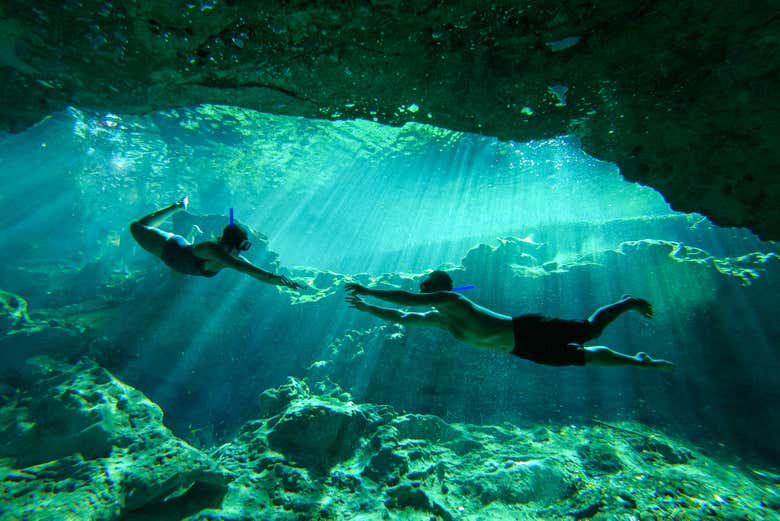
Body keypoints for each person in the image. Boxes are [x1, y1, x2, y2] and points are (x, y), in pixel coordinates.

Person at [345, 270, 674, 369]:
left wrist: (368, 290)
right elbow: (403, 316)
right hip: (520, 349)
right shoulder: (439, 319)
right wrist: (366, 308)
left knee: (590, 331)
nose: (422, 291)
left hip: (526, 328)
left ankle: (627, 302)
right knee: (582, 357)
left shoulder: (452, 299)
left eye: (425, 287)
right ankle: (640, 362)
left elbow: (407, 300)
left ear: (437, 288)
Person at [129, 196, 303, 289]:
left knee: (178, 274)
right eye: (242, 246)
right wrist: (276, 277)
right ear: (231, 244)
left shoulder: (234, 258)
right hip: (168, 247)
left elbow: (255, 274)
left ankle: (191, 233)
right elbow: (240, 266)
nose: (241, 252)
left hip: (181, 263)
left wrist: (283, 283)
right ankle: (177, 207)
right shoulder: (211, 249)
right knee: (137, 226)